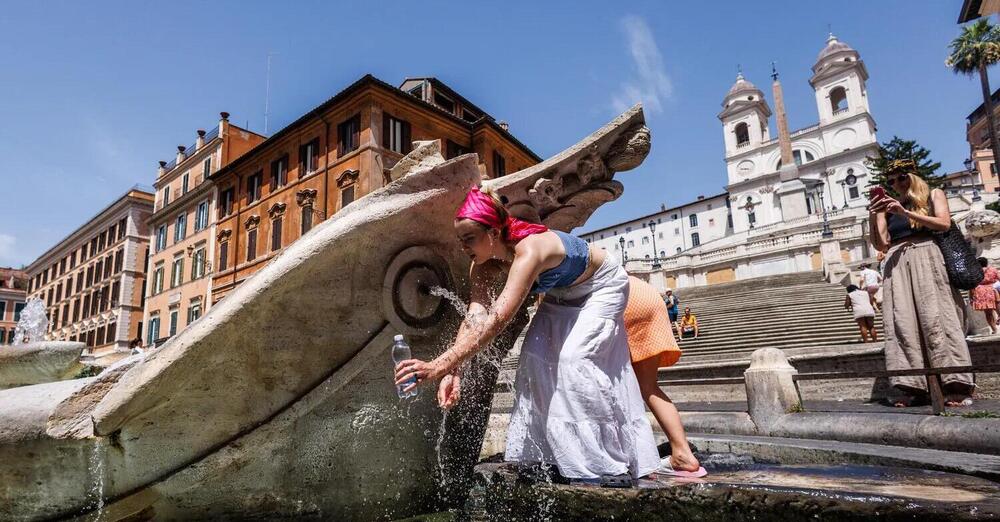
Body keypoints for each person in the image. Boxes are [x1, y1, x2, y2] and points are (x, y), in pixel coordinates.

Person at [394, 186, 660, 484]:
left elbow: (497, 321)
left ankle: (607, 463)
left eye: (469, 238)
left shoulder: (529, 251)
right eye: (460, 239)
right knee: (532, 358)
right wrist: (452, 371)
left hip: (601, 286)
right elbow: (475, 318)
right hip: (561, 292)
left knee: (574, 360)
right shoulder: (481, 265)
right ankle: (553, 457)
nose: (463, 246)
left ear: (493, 233)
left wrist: (438, 364)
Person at [868, 159, 975, 408]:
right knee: (903, 322)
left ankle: (955, 383)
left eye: (901, 178)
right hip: (896, 261)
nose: (896, 184)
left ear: (914, 176)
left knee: (937, 316)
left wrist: (904, 212)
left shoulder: (934, 194)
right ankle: (911, 384)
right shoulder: (886, 208)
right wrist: (874, 215)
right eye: (891, 181)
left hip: (928, 253)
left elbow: (944, 223)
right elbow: (880, 243)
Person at [624, 276, 705, 477]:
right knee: (649, 386)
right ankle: (682, 453)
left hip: (622, 299)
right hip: (648, 296)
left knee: (606, 382)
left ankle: (622, 458)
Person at [970, 257, 1000, 335]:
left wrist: (971, 296)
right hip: (992, 290)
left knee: (988, 313)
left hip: (981, 293)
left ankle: (994, 329)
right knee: (997, 307)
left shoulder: (975, 272)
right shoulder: (993, 270)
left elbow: (972, 284)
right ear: (986, 263)